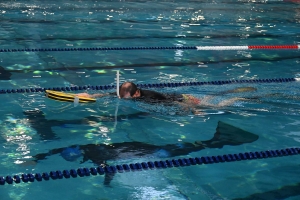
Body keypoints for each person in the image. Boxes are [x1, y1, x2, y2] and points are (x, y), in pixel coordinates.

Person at [77, 82, 255, 113]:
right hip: (180, 97)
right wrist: (92, 95)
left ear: (136, 93)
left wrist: (193, 109)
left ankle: (240, 99)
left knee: (217, 107)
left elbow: (173, 103)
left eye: (127, 98)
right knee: (210, 102)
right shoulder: (128, 94)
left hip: (185, 99)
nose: (124, 100)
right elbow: (111, 95)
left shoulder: (151, 96)